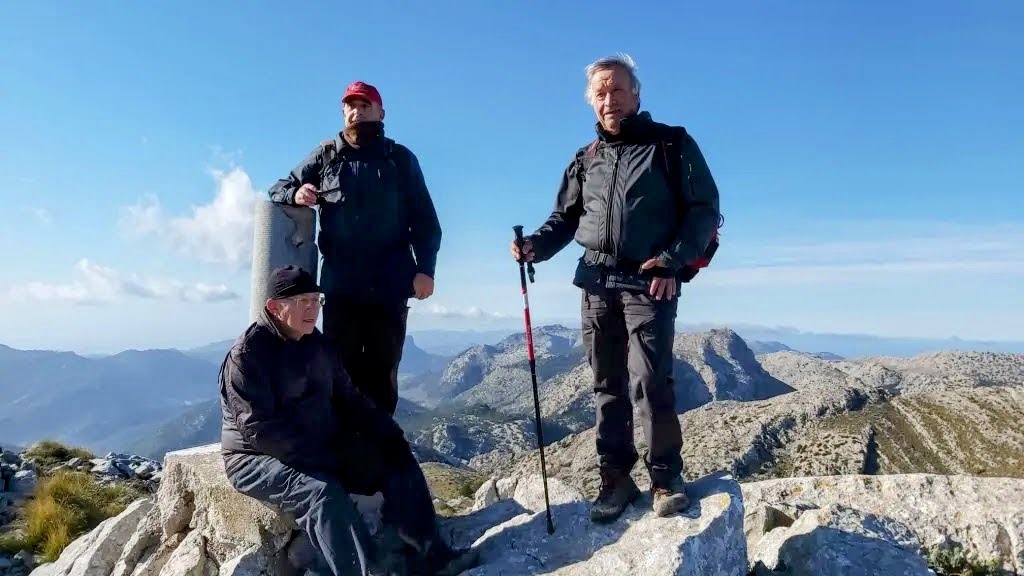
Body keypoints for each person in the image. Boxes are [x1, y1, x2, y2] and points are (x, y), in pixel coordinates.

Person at [509, 54, 721, 523]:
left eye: (618, 90)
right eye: (601, 93)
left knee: (649, 381)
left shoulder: (671, 144)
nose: (610, 100)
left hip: (650, 282)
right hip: (595, 282)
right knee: (607, 385)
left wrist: (672, 259)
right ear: (592, 102)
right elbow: (564, 219)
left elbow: (704, 209)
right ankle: (616, 480)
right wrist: (533, 247)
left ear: (636, 94)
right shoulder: (586, 159)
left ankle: (665, 477)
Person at [218, 265, 477, 575]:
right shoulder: (248, 355)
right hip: (255, 458)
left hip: (317, 442)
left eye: (317, 300)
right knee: (322, 492)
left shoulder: (318, 344)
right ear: (275, 307)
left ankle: (429, 554)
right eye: (303, 301)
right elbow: (259, 429)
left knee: (394, 454)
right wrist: (326, 458)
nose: (313, 309)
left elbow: (350, 399)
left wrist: (385, 431)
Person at [267, 81, 442, 416]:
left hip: (390, 284)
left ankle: (379, 451)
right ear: (343, 111)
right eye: (351, 105)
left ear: (380, 113)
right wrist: (297, 194)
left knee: (383, 369)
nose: (356, 111)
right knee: (338, 367)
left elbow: (425, 221)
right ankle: (342, 450)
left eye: (365, 105)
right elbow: (279, 187)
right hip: (341, 285)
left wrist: (426, 270)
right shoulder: (326, 155)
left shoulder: (400, 159)